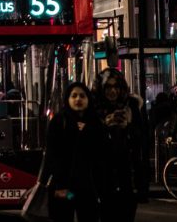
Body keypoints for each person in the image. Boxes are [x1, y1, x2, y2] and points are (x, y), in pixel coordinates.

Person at [41, 82, 104, 222]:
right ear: (67, 99)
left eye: (82, 96)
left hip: (87, 189)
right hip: (65, 189)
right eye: (73, 96)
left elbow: (101, 153)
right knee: (63, 216)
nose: (78, 99)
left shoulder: (95, 122)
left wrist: (86, 132)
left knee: (89, 216)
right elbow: (53, 155)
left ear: (88, 99)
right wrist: (59, 185)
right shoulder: (59, 121)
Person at [92, 69, 148, 221]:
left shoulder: (130, 106)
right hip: (103, 178)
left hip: (127, 177)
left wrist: (127, 126)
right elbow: (89, 143)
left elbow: (141, 141)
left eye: (116, 87)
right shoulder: (94, 109)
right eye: (108, 87)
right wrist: (105, 125)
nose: (112, 91)